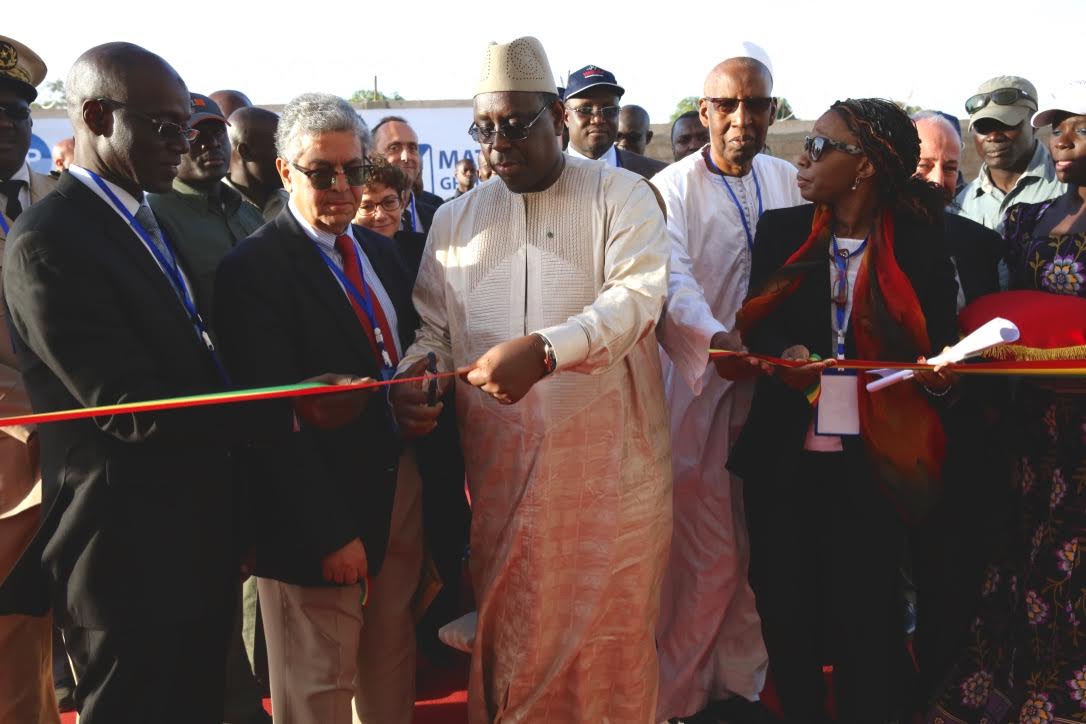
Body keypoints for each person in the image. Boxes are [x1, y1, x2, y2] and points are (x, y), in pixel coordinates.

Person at [0, 42, 353, 723]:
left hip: (193, 549)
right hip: (126, 564)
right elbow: (131, 407)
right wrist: (291, 407)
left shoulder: (136, 218)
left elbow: (194, 363)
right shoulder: (53, 239)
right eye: (165, 127)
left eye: (188, 130)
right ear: (100, 116)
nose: (182, 146)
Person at [390, 36, 672, 723]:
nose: (496, 143)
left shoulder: (621, 195)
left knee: (610, 640)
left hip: (613, 470)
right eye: (483, 128)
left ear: (557, 118)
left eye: (514, 125)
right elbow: (433, 328)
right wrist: (416, 374)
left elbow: (636, 300)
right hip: (502, 473)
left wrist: (548, 352)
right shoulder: (456, 221)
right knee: (514, 636)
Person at [727, 98, 959, 723]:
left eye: (821, 146)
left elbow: (942, 359)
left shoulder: (920, 242)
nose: (803, 156)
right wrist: (787, 352)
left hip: (875, 465)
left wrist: (932, 376)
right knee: (783, 612)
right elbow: (759, 326)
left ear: (863, 167)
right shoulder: (782, 229)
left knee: (866, 624)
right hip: (783, 461)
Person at [214, 92, 421, 724]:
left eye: (353, 170)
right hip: (318, 520)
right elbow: (265, 421)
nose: (340, 186)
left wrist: (420, 389)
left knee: (389, 668)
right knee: (316, 690)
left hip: (399, 494)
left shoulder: (382, 252)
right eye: (320, 171)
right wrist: (329, 531)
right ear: (284, 172)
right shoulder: (253, 269)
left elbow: (403, 352)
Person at [653, 43, 805, 724]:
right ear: (705, 111)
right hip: (698, 391)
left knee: (755, 549)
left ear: (774, 112)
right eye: (730, 105)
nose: (744, 118)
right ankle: (678, 698)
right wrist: (717, 344)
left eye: (758, 105)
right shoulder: (670, 189)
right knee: (704, 551)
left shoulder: (788, 179)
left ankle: (738, 687)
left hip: (774, 388)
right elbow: (673, 283)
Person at [928, 81, 1086, 724]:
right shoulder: (1030, 220)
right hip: (1032, 421)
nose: (1064, 140)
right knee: (1025, 551)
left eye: (1078, 130)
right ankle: (1014, 687)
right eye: (1058, 131)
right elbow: (1009, 312)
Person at [907, 110, 1010, 712]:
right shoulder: (855, 238)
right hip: (873, 450)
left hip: (958, 450)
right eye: (924, 164)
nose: (939, 179)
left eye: (950, 167)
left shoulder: (982, 246)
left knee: (949, 588)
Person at [0, 33, 61, 724]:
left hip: (72, 470)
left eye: (17, 112)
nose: (6, 126)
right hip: (8, 475)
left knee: (39, 644)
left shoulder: (60, 202)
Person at [149, 93, 266, 325]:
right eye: (195, 136)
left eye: (218, 133)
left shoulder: (247, 212)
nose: (211, 144)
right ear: (174, 142)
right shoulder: (153, 217)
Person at [955, 76, 1065, 236]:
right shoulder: (961, 206)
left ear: (1034, 125)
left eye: (1006, 124)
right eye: (983, 127)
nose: (993, 136)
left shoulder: (1071, 188)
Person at [563, 64, 667, 179]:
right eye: (585, 110)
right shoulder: (545, 176)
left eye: (610, 110)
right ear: (566, 117)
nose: (598, 119)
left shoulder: (658, 177)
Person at [352, 156, 427, 272]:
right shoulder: (343, 259)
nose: (380, 215)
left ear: (402, 202)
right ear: (352, 211)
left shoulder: (425, 252)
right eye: (367, 206)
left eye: (389, 202)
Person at [371, 116, 443, 233]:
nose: (406, 157)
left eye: (412, 148)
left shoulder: (439, 216)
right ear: (372, 155)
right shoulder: (357, 222)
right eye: (394, 148)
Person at [224, 106, 288, 221]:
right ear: (245, 152)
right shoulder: (216, 207)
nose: (291, 160)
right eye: (281, 149)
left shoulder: (293, 206)